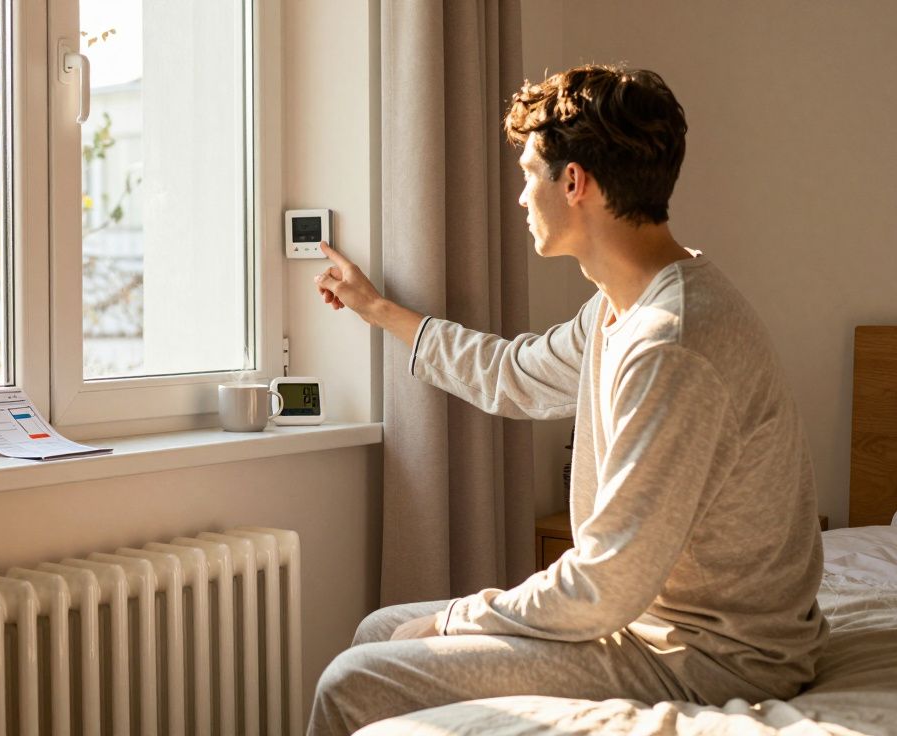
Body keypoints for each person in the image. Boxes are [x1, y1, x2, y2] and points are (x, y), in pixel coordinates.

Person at [307, 65, 828, 735]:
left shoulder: (672, 344)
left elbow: (606, 585)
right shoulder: (622, 306)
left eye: (529, 174)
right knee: (379, 628)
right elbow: (513, 373)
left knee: (354, 681)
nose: (522, 198)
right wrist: (376, 309)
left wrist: (451, 618)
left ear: (575, 182)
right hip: (651, 626)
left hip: (715, 656)